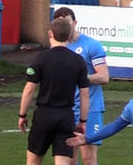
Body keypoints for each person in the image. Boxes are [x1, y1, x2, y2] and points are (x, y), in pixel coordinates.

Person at [19, 18, 90, 165]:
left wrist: (22, 114)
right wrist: (83, 121)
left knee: (33, 161)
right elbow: (84, 94)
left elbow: (29, 89)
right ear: (69, 36)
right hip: (66, 116)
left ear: (50, 34)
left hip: (44, 114)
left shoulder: (41, 58)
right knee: (63, 162)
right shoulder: (78, 61)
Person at [53, 7, 109, 165]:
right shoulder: (57, 48)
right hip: (67, 109)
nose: (65, 26)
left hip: (90, 108)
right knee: (69, 159)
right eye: (60, 23)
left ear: (75, 22)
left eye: (68, 22)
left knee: (89, 158)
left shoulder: (91, 45)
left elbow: (104, 76)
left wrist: (80, 78)